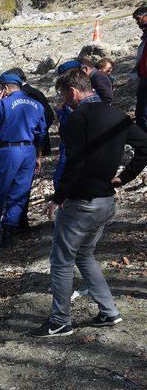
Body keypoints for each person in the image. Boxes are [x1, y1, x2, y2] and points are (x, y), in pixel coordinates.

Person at [31, 69, 147, 337]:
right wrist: (125, 177)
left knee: (61, 261)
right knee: (84, 255)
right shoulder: (116, 114)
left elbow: (75, 162)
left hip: (81, 201)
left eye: (63, 95)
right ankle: (109, 311)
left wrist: (58, 197)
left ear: (73, 91)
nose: (63, 102)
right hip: (106, 200)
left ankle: (60, 321)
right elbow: (145, 146)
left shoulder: (77, 118)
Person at [0, 73, 46, 249]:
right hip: (29, 151)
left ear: (5, 88)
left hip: (9, 151)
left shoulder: (3, 103)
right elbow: (41, 133)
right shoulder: (37, 105)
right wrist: (38, 156)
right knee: (20, 193)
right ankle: (8, 233)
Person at [5, 67, 56, 230]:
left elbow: (47, 117)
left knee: (19, 184)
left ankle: (18, 223)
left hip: (24, 145)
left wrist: (31, 134)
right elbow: (49, 116)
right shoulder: (36, 93)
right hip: (33, 144)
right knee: (23, 184)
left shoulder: (22, 95)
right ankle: (19, 221)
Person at [53, 60, 82, 190]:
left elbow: (70, 120)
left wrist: (60, 112)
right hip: (68, 140)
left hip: (72, 141)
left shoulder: (78, 94)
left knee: (61, 175)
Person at [132, 6, 147, 132]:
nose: (139, 25)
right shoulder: (145, 38)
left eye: (139, 20)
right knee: (141, 113)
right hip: (143, 78)